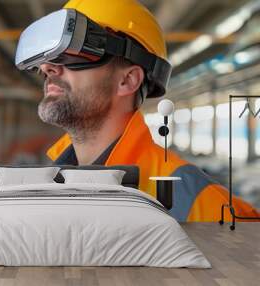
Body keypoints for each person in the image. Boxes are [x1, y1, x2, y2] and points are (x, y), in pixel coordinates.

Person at [15, 0, 259, 222]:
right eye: (50, 57)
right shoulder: (50, 181)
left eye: (74, 53)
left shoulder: (204, 203)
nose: (47, 67)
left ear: (128, 80)